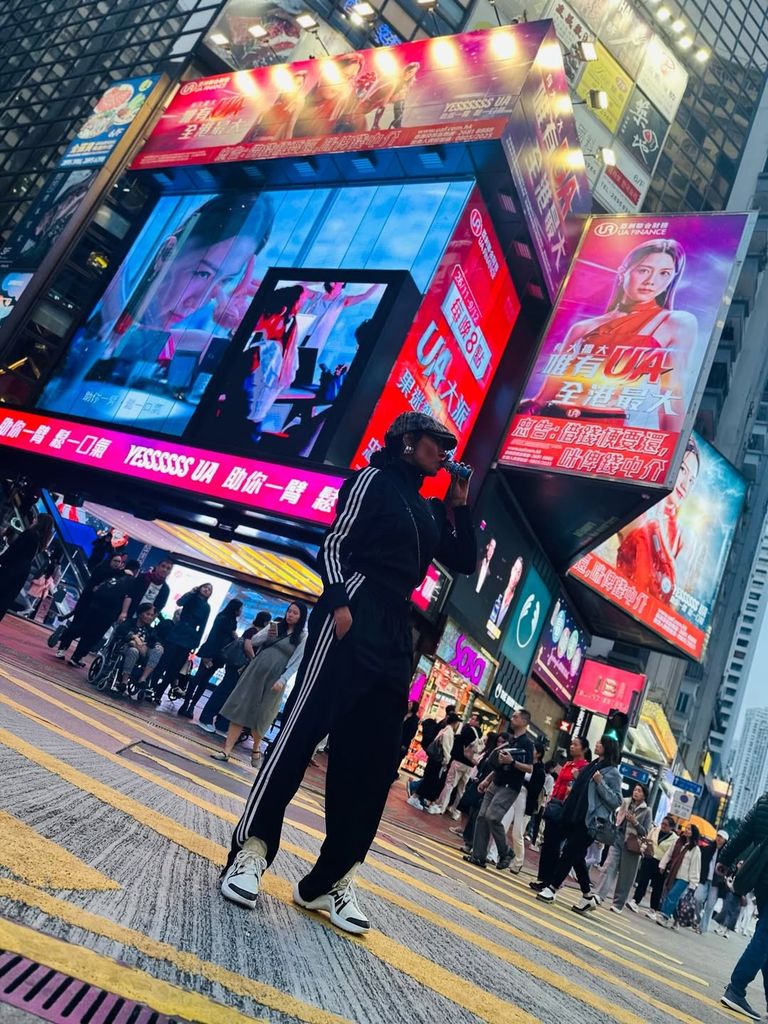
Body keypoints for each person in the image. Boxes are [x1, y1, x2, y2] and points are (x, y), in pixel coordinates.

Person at [218, 411, 476, 933]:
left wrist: (459, 502)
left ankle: (328, 882)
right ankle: (252, 849)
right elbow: (333, 543)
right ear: (407, 441)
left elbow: (464, 559)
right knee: (300, 734)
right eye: (436, 442)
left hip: (395, 630)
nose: (443, 451)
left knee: (375, 762)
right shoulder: (372, 480)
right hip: (353, 608)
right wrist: (337, 604)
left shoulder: (427, 510)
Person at [523, 238, 696, 432]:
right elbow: (544, 396)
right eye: (643, 270)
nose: (651, 281)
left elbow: (672, 397)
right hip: (550, 419)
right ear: (622, 273)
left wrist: (672, 449)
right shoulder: (582, 328)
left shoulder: (676, 322)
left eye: (664, 273)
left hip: (603, 427)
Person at [211, 602, 309, 766]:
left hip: (276, 679)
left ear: (302, 617)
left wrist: (283, 679)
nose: (290, 615)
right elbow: (255, 641)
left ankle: (256, 749)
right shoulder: (276, 626)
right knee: (242, 707)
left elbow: (296, 662)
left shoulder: (302, 636)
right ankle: (226, 751)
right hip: (256, 671)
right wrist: (268, 633)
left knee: (263, 714)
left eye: (295, 613)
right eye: (289, 611)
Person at [533, 735, 623, 911]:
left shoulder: (612, 773)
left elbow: (616, 801)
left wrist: (600, 783)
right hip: (575, 815)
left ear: (608, 747)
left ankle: (552, 888)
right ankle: (588, 896)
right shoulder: (593, 765)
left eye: (600, 743)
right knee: (577, 857)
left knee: (569, 852)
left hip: (590, 821)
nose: (597, 745)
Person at [614, 438, 700, 605]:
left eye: (691, 480)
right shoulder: (641, 510)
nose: (685, 485)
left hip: (646, 611)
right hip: (620, 597)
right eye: (683, 469)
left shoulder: (682, 538)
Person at [463, 709, 535, 871]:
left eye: (516, 717)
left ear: (524, 722)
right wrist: (487, 780)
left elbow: (530, 768)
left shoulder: (527, 743)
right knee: (482, 817)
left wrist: (513, 762)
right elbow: (499, 765)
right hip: (496, 782)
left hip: (510, 787)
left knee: (493, 816)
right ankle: (478, 856)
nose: (512, 718)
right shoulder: (510, 740)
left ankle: (506, 851)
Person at [197, 611, 272, 734]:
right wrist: (253, 661)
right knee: (224, 691)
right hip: (237, 666)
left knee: (230, 695)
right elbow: (248, 646)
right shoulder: (253, 632)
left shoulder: (256, 633)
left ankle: (222, 724)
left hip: (240, 667)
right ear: (265, 622)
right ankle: (206, 718)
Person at [532, 736, 591, 886]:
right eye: (571, 744)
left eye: (575, 745)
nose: (572, 747)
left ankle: (551, 880)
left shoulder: (584, 768)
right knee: (547, 843)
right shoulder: (568, 764)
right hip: (555, 804)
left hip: (566, 810)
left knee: (554, 845)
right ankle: (543, 878)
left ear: (584, 749)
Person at [178, 598, 243, 719]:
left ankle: (189, 705)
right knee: (201, 679)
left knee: (201, 679)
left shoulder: (228, 619)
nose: (241, 611)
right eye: (240, 609)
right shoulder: (224, 619)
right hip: (213, 653)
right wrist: (208, 654)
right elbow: (214, 636)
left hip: (217, 654)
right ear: (236, 609)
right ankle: (189, 705)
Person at [55, 553, 128, 658]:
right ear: (110, 560)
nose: (117, 563)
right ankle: (62, 647)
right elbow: (102, 577)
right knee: (76, 625)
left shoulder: (115, 576)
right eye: (115, 561)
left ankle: (72, 649)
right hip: (86, 603)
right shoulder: (102, 570)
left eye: (119, 562)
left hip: (95, 607)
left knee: (84, 630)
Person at [149, 584, 212, 704]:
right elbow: (179, 603)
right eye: (205, 587)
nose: (206, 590)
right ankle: (150, 687)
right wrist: (191, 592)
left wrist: (197, 641)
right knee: (163, 663)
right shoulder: (191, 598)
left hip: (190, 637)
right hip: (177, 631)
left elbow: (203, 625)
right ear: (200, 588)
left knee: (174, 669)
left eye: (209, 590)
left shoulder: (207, 607)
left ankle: (159, 693)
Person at [596, 783, 652, 912]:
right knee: (608, 867)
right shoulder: (625, 802)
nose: (636, 792)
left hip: (632, 845)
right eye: (635, 789)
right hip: (618, 839)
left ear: (644, 795)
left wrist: (635, 822)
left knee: (626, 876)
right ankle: (599, 895)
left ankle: (618, 904)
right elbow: (618, 818)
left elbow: (645, 831)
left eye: (639, 791)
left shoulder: (647, 810)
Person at [0, 515, 54, 623]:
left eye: (36, 518)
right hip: (22, 570)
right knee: (5, 599)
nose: (33, 520)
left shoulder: (30, 533)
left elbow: (14, 549)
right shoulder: (41, 540)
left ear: (40, 522)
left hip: (11, 567)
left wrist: (1, 559)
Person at [427, 712, 482, 817]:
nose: (471, 720)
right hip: (470, 765)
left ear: (478, 722)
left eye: (473, 719)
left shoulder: (467, 730)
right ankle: (455, 810)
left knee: (450, 784)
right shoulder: (479, 734)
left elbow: (458, 742)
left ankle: (440, 806)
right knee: (461, 789)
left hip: (459, 761)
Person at [627, 814, 677, 920]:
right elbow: (647, 840)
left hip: (661, 863)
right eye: (662, 823)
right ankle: (635, 900)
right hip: (649, 858)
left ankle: (653, 909)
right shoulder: (655, 830)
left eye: (666, 825)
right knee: (643, 881)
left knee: (657, 887)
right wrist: (644, 849)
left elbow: (672, 854)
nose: (663, 826)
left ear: (671, 828)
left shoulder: (674, 839)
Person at [408, 714, 461, 810]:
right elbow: (446, 747)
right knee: (430, 779)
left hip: (434, 758)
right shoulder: (449, 732)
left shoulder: (444, 729)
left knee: (429, 778)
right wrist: (447, 759)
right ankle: (415, 797)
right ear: (455, 722)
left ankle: (417, 797)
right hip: (438, 760)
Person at [657, 823, 701, 927]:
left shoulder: (695, 849)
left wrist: (693, 883)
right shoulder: (678, 842)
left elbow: (695, 866)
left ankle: (664, 916)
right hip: (673, 873)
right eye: (687, 828)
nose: (687, 830)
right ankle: (677, 918)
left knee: (672, 896)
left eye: (690, 829)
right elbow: (669, 854)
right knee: (671, 897)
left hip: (684, 878)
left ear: (694, 833)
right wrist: (662, 865)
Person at [112, 603, 163, 692]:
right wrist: (134, 637)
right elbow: (121, 631)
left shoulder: (150, 630)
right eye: (147, 614)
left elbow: (155, 640)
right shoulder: (130, 622)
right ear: (140, 613)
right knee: (134, 649)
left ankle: (143, 678)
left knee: (158, 650)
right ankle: (124, 682)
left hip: (144, 651)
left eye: (151, 615)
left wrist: (158, 645)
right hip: (126, 648)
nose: (150, 617)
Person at [696, 828, 730, 933]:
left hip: (716, 883)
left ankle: (702, 927)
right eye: (718, 836)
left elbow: (730, 867)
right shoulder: (708, 848)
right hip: (704, 879)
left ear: (725, 840)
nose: (719, 839)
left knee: (710, 906)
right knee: (697, 898)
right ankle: (698, 919)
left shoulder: (727, 853)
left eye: (721, 838)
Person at [398, 700, 421, 766]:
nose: (408, 705)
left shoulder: (414, 720)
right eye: (408, 703)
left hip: (403, 743)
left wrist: (404, 744)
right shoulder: (403, 713)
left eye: (410, 704)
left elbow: (411, 734)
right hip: (396, 738)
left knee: (397, 760)